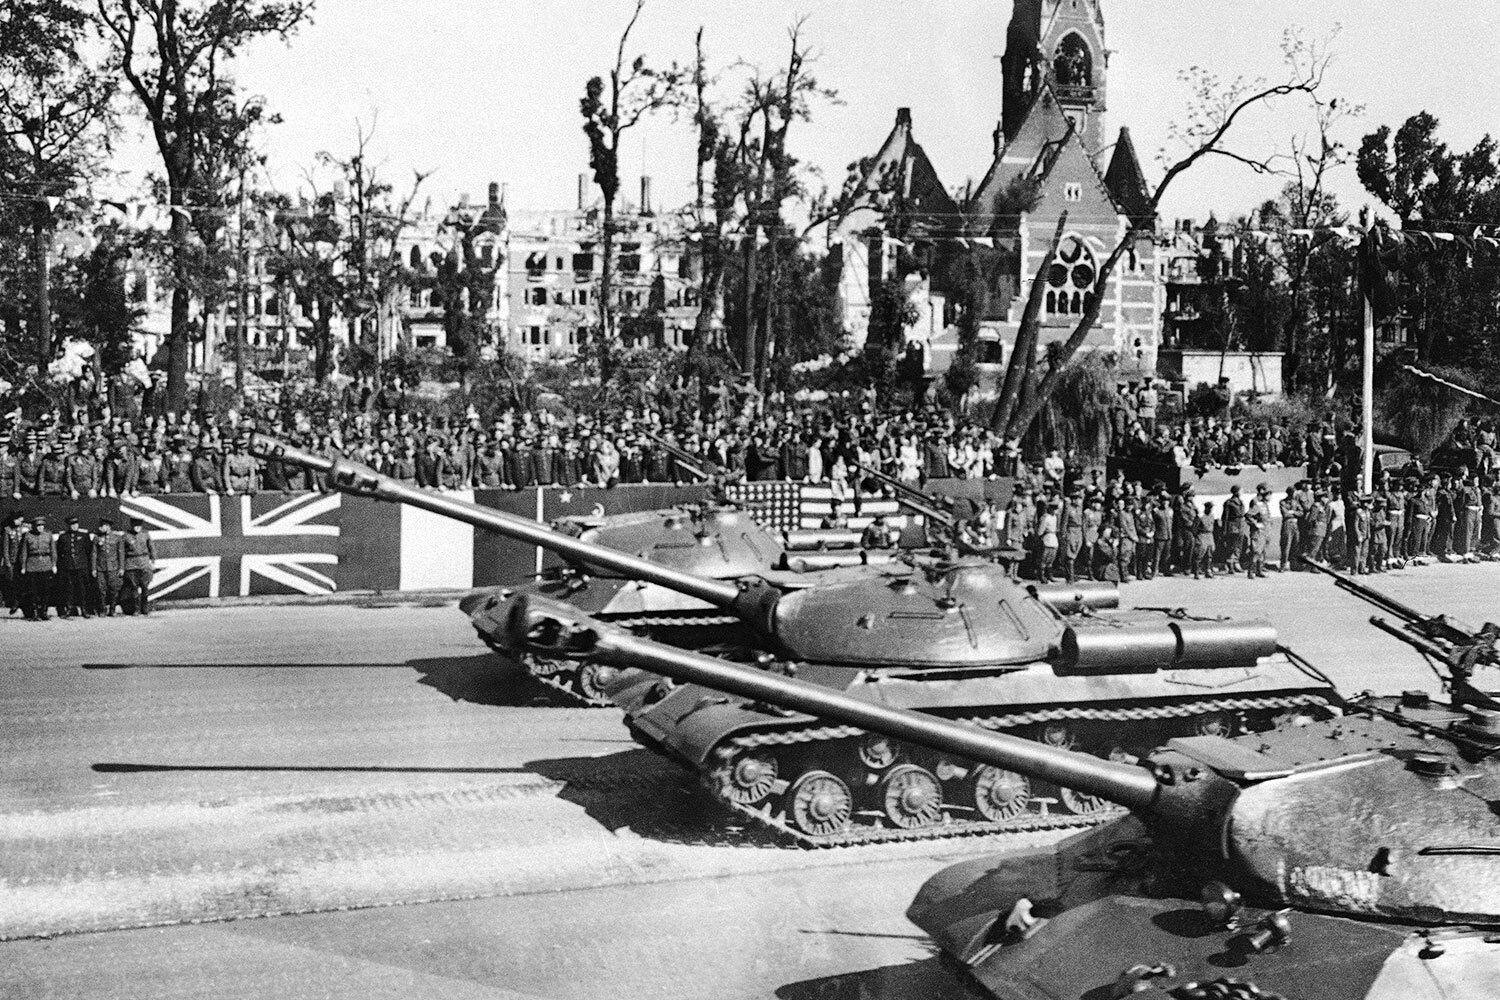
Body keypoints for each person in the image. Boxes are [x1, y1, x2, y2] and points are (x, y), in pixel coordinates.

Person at [17, 514, 57, 621]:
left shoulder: (48, 535)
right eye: (38, 526)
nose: (40, 527)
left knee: (45, 590)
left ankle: (43, 612)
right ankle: (34, 613)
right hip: (32, 565)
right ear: (34, 526)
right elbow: (24, 552)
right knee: (33, 591)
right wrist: (23, 566)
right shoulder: (28, 536)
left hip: (45, 564)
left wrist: (54, 564)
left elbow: (53, 551)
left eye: (42, 525)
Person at [55, 514, 94, 617]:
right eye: (72, 524)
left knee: (82, 589)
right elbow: (60, 552)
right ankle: (69, 609)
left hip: (81, 566)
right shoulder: (63, 537)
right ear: (68, 525)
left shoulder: (84, 536)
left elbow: (89, 551)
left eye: (76, 524)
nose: (74, 526)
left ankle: (84, 609)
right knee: (69, 589)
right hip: (68, 567)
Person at [92, 517, 126, 617]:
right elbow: (94, 554)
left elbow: (121, 553)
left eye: (101, 526)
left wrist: (121, 568)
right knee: (101, 589)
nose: (100, 528)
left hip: (113, 568)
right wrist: (94, 568)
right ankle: (102, 610)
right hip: (100, 568)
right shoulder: (97, 538)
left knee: (113, 589)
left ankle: (112, 609)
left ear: (107, 527)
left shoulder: (117, 538)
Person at [122, 517, 156, 616]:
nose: (137, 528)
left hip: (144, 564)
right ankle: (136, 609)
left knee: (145, 587)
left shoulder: (145, 535)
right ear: (132, 526)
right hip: (131, 565)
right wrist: (123, 566)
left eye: (139, 526)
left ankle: (145, 608)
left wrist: (153, 561)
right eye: (135, 526)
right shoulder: (126, 536)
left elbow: (151, 548)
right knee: (134, 588)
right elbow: (122, 552)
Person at [1192, 502, 1217, 579]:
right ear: (1206, 508)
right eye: (1209, 508)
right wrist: (1198, 537)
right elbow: (1194, 529)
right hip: (1202, 535)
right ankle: (1196, 572)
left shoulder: (1212, 516)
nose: (1210, 510)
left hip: (1210, 535)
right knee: (1199, 554)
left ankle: (1208, 571)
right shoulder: (1200, 517)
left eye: (1211, 508)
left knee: (1209, 555)